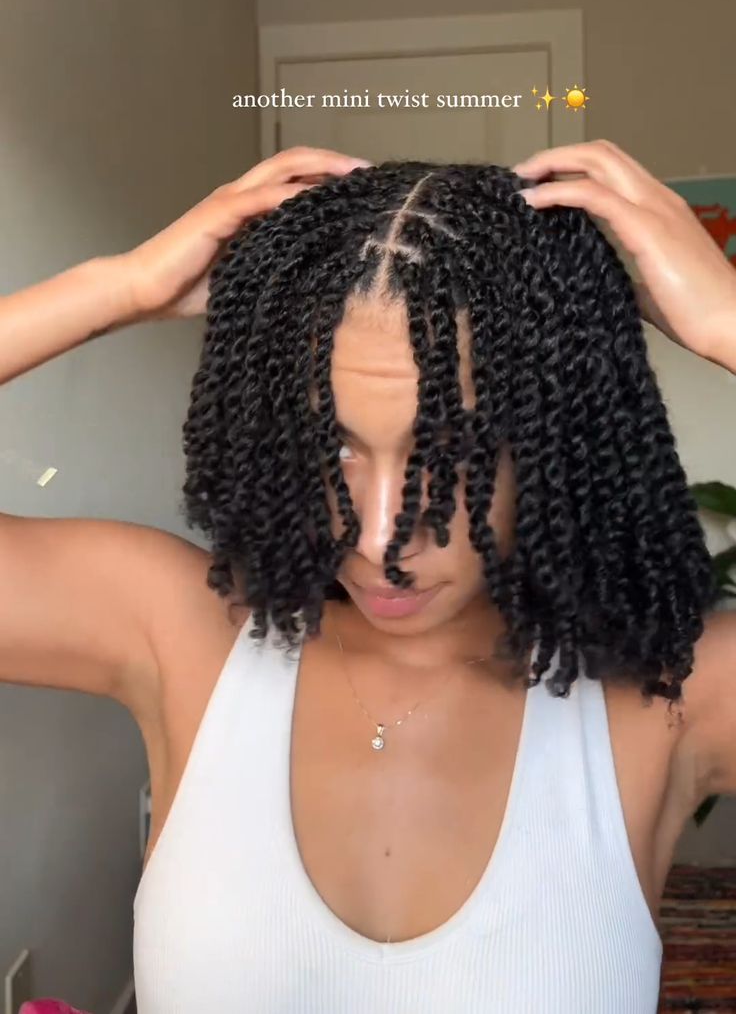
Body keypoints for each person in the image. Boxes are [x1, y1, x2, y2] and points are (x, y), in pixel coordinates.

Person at [1, 141, 735, 1014]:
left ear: (559, 439)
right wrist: (120, 286)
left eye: (451, 453)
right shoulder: (181, 635)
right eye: (336, 446)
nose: (381, 533)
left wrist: (728, 322)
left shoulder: (670, 696)